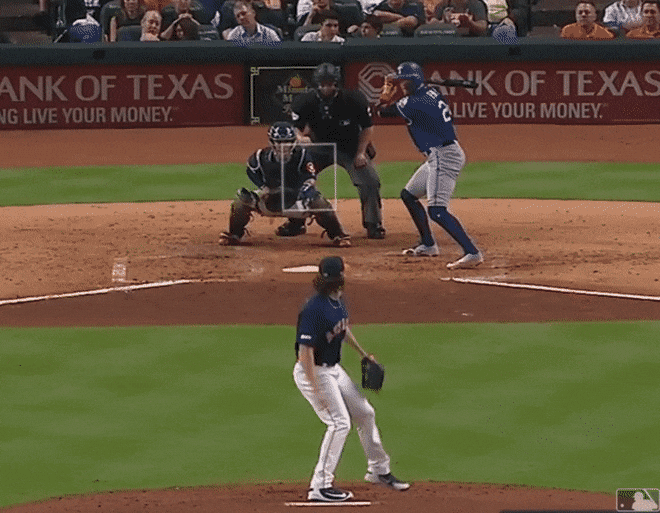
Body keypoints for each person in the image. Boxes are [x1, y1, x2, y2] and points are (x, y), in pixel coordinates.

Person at [293, 255, 410, 503]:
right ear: (340, 276)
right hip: (313, 371)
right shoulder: (313, 309)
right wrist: (315, 387)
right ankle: (320, 486)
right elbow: (305, 353)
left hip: (333, 369)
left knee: (365, 413)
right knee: (339, 423)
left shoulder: (337, 300)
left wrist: (363, 354)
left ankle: (378, 470)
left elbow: (342, 329)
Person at [378, 62, 483, 269]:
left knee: (437, 211)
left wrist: (386, 91)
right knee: (408, 195)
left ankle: (472, 253)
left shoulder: (413, 103)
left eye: (405, 82)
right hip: (439, 154)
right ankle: (428, 245)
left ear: (414, 82)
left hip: (443, 155)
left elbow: (381, 112)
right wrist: (400, 83)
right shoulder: (430, 93)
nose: (401, 85)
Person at [291, 63, 386, 240]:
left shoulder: (354, 99)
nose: (327, 87)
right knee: (295, 173)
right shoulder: (304, 101)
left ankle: (373, 223)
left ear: (337, 83)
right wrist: (300, 138)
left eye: (330, 83)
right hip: (319, 147)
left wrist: (361, 153)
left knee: (370, 181)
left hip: (350, 147)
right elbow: (295, 128)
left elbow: (367, 127)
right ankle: (295, 222)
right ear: (317, 84)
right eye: (323, 84)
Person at [219, 122, 351, 248]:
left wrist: (303, 193)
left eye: (287, 142)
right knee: (241, 200)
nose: (283, 146)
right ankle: (234, 234)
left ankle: (338, 235)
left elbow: (310, 178)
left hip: (296, 201)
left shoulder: (303, 155)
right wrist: (263, 188)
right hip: (269, 199)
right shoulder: (260, 156)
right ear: (271, 142)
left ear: (293, 141)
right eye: (279, 142)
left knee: (319, 203)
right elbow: (251, 170)